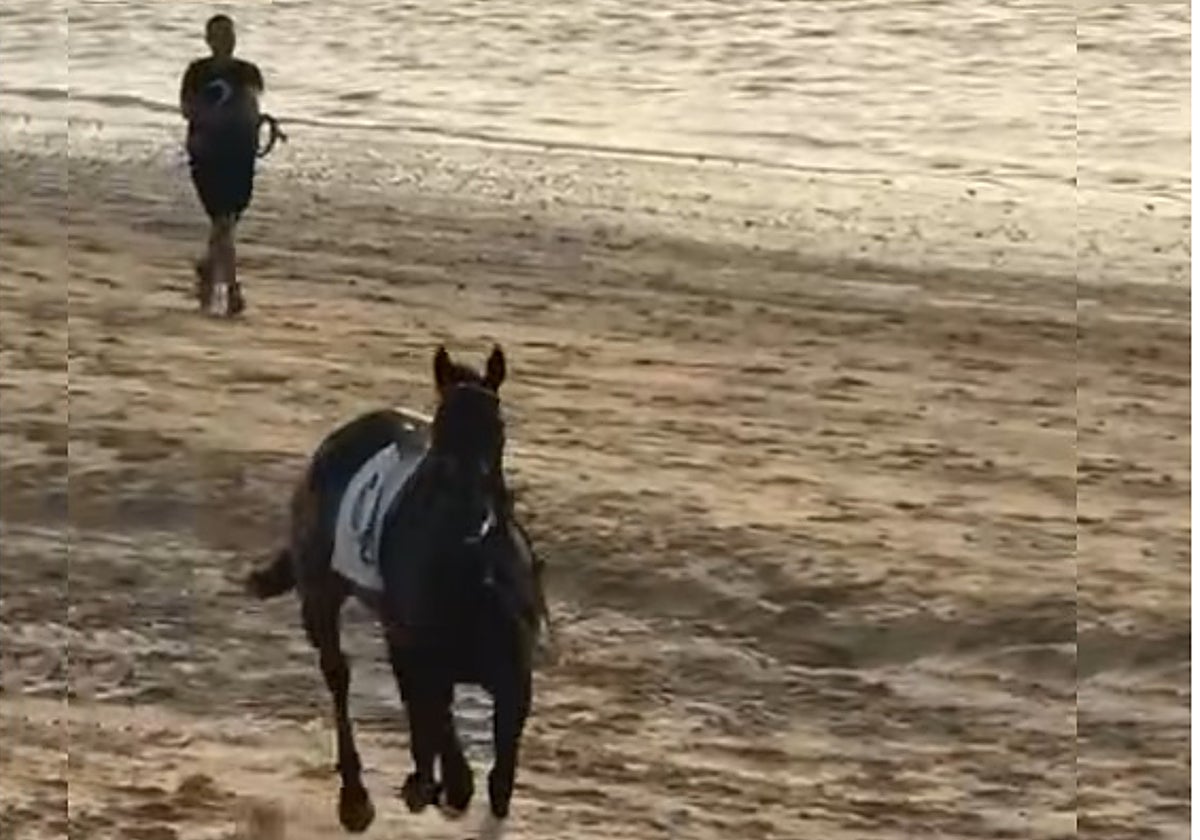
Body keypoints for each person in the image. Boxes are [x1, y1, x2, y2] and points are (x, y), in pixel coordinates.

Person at [179, 14, 264, 316]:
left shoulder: (247, 72)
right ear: (207, 39)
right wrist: (212, 118)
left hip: (240, 153)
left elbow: (251, 106)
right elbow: (187, 110)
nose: (225, 40)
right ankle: (231, 290)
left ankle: (209, 266)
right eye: (218, 34)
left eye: (229, 34)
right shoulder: (196, 72)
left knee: (225, 223)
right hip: (207, 154)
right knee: (223, 221)